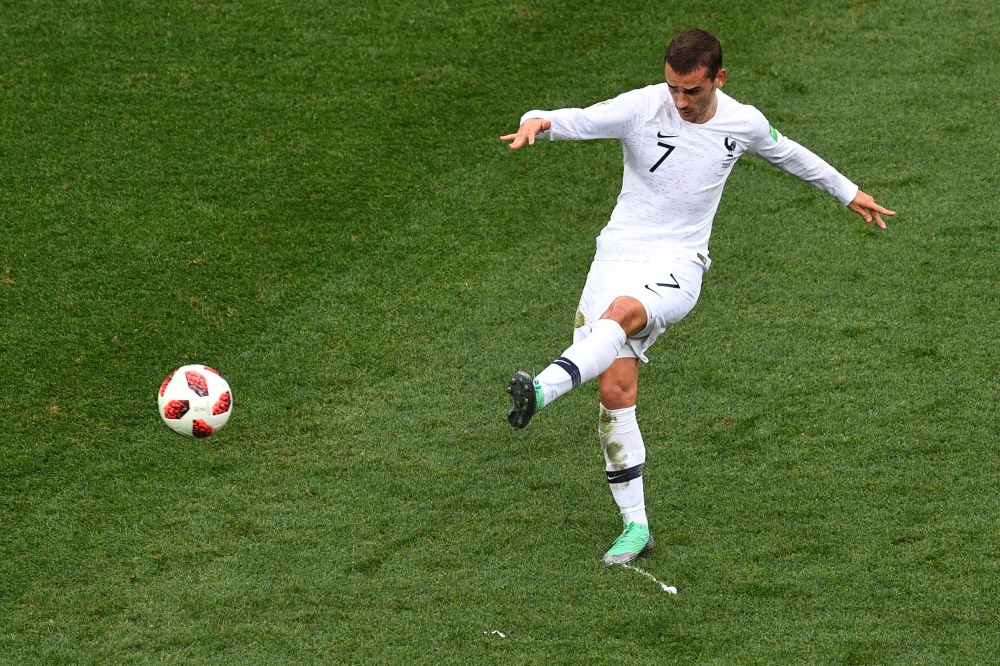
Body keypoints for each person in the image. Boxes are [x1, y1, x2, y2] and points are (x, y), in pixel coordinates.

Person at [501, 28, 894, 566]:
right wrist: (536, 121)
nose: (680, 102)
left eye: (693, 92)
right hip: (616, 255)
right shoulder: (644, 105)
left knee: (622, 314)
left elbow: (793, 156)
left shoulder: (744, 122)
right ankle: (636, 528)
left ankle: (540, 391)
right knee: (615, 392)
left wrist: (850, 193)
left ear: (719, 79)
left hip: (679, 264)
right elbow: (577, 119)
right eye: (674, 89)